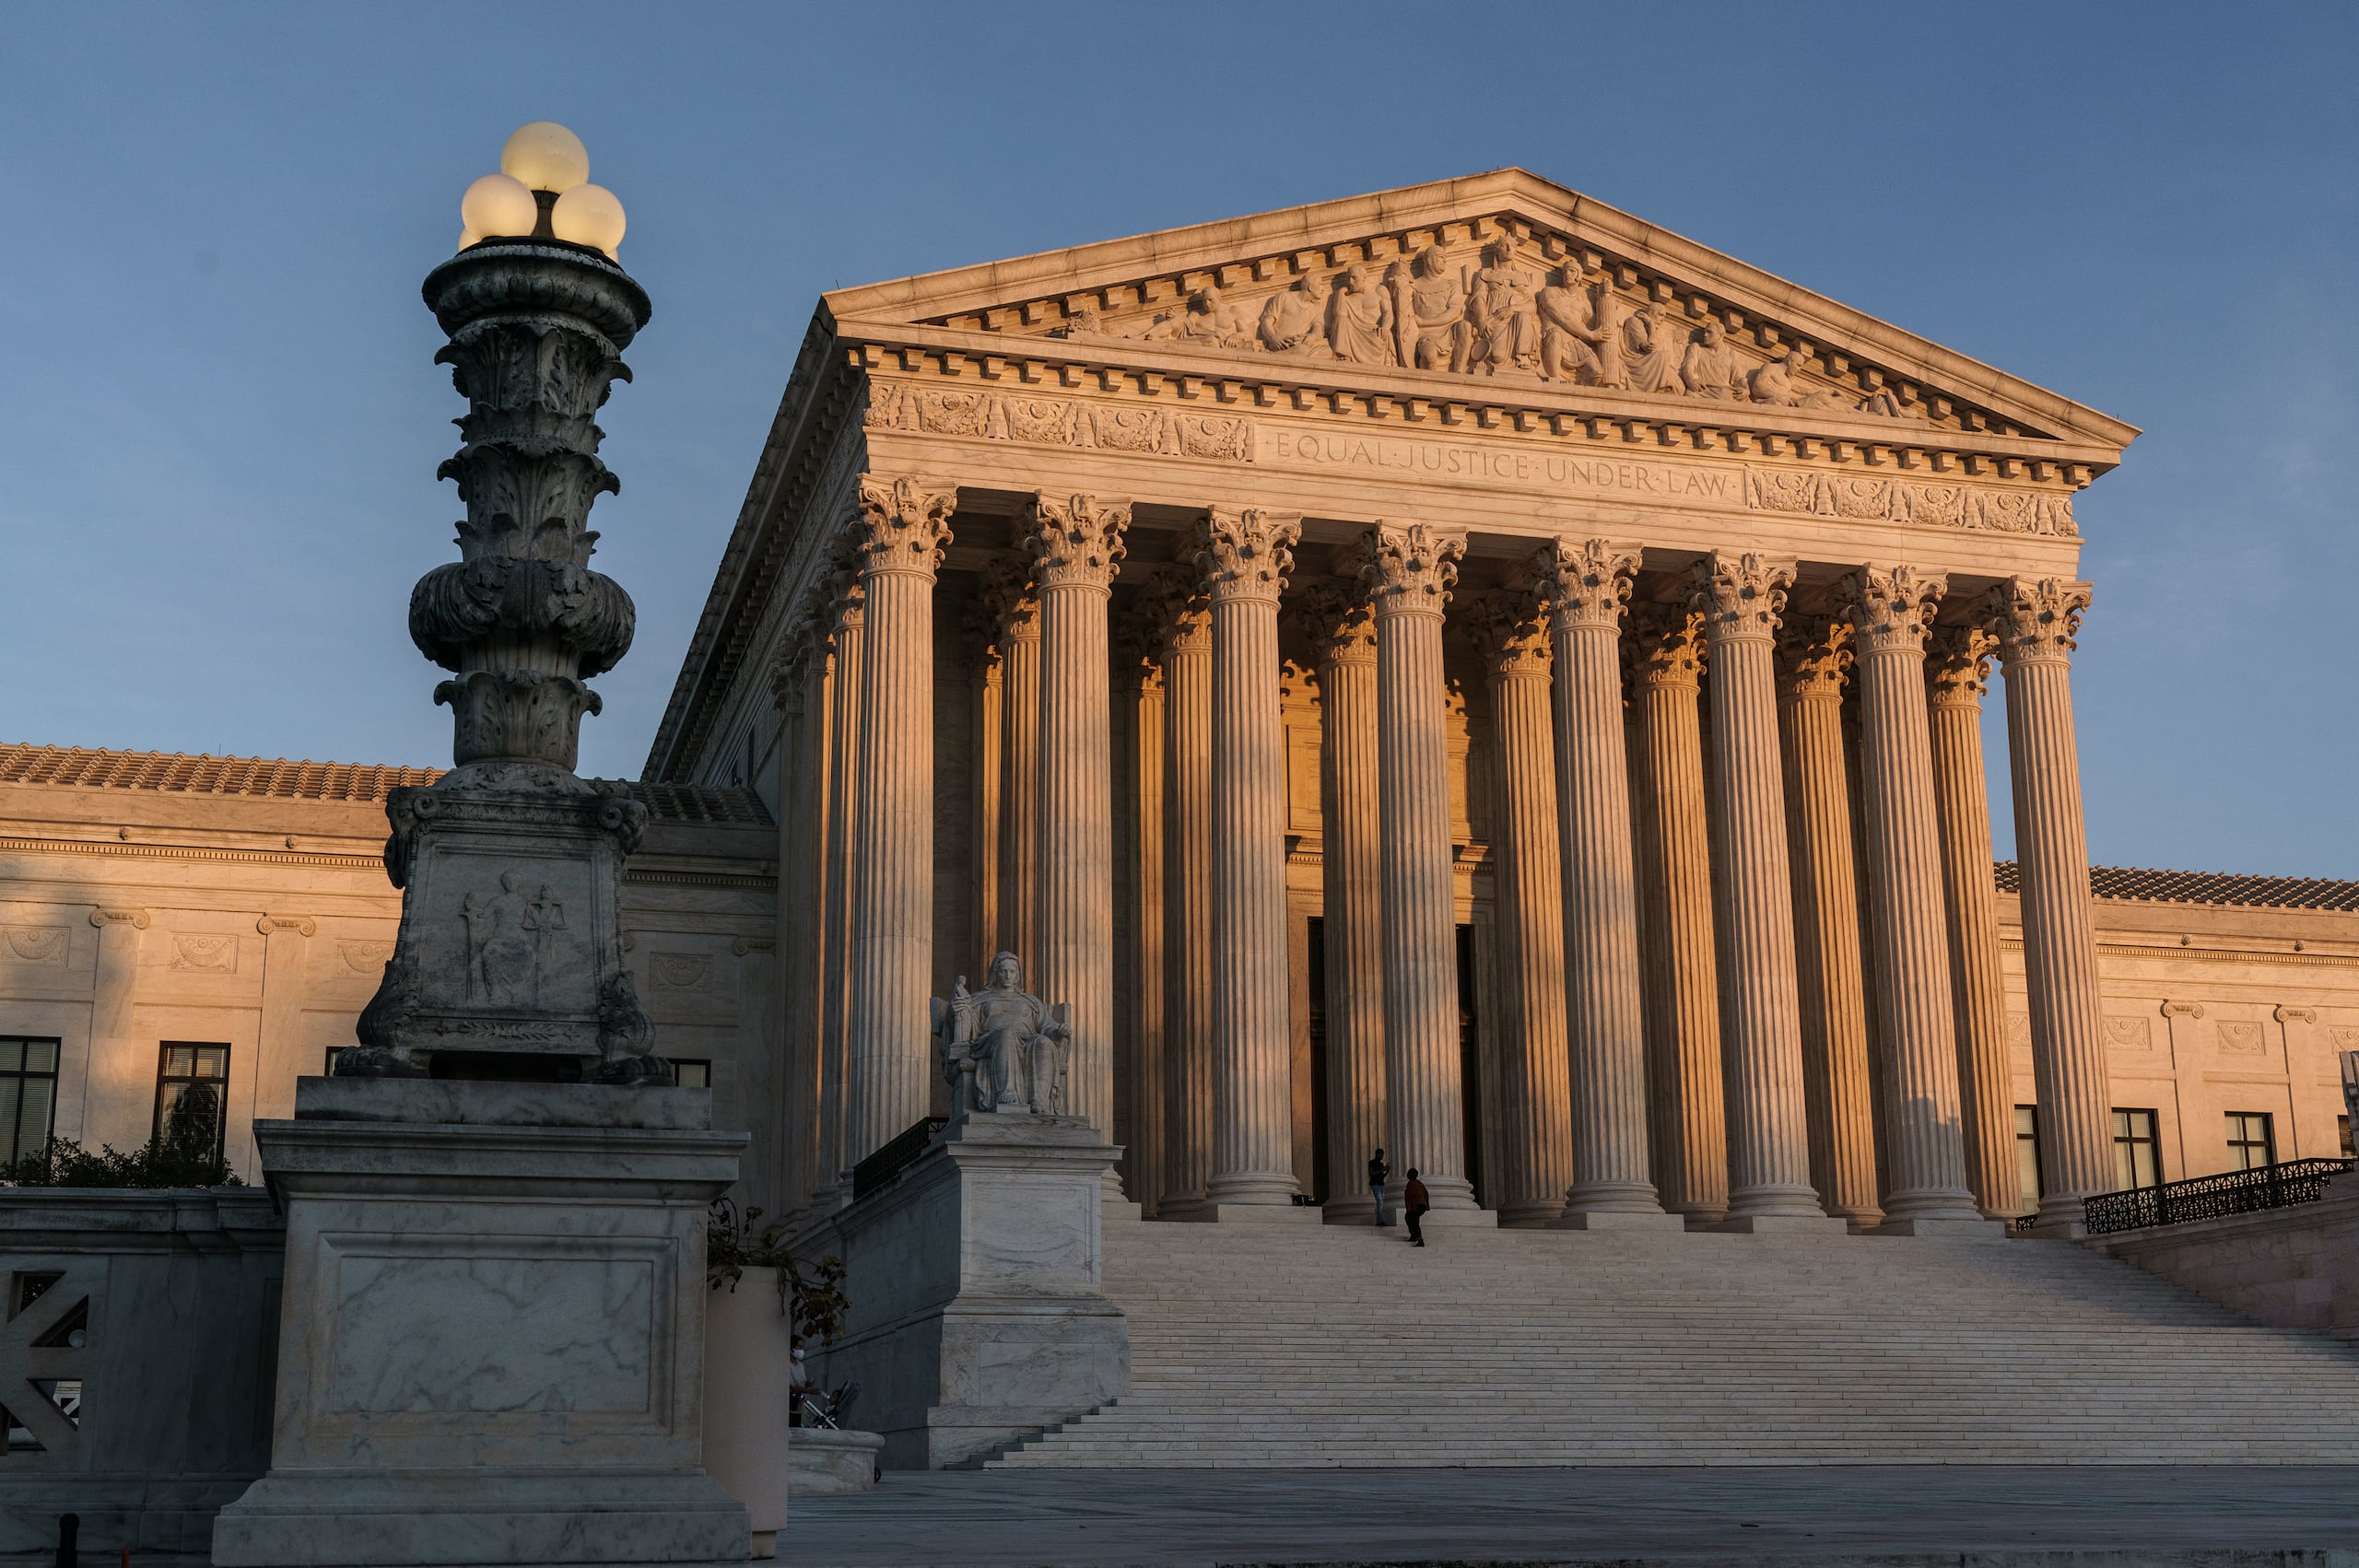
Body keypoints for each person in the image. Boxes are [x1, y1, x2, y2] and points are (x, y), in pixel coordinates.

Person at [1402, 1167, 1431, 1247]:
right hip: (1422, 1205)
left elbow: (1412, 1196)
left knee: (1413, 1220)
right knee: (1410, 1218)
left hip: (1416, 1204)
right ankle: (1413, 1235)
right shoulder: (1420, 1183)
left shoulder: (1411, 1184)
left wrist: (1410, 1208)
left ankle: (1419, 1239)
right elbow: (1426, 1194)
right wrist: (1427, 1206)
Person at [1367, 1147, 1390, 1226]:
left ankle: (1379, 1221)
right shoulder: (1372, 1162)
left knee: (1380, 1203)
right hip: (1375, 1184)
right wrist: (1382, 1170)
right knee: (1380, 1202)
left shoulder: (1381, 1164)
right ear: (1377, 1154)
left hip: (1381, 1184)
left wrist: (1387, 1170)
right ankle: (1380, 1221)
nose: (1382, 1156)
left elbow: (1382, 1176)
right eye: (1381, 1155)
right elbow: (1372, 1174)